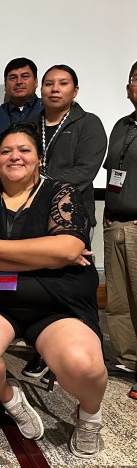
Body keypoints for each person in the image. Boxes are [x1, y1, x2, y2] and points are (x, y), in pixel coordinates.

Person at [0, 122, 106, 459]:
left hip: (57, 305)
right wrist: (47, 258)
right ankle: (10, 398)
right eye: (6, 151)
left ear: (39, 160)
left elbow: (67, 248)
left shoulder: (61, 192)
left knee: (84, 365)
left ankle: (90, 416)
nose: (14, 156)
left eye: (24, 150)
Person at [24, 64, 107, 379]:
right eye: (48, 84)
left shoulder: (88, 124)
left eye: (62, 83)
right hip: (34, 215)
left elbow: (85, 173)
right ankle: (44, 348)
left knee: (72, 282)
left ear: (75, 90)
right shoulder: (31, 125)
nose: (54, 89)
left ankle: (86, 352)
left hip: (71, 218)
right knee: (41, 280)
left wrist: (40, 184)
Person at [103, 60, 137, 398]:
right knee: (119, 300)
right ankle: (129, 359)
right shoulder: (122, 125)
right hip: (116, 223)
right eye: (134, 80)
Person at [0, 57, 43, 136]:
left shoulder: (49, 110)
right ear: (5, 85)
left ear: (36, 82)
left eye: (25, 76)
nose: (19, 82)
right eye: (13, 78)